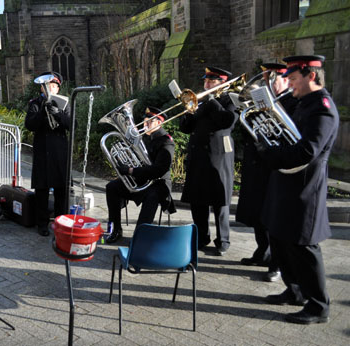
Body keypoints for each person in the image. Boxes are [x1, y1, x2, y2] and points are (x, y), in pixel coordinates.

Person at [257, 55, 337, 325]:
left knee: (304, 246)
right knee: (280, 238)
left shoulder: (322, 108)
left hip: (306, 186)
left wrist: (272, 155)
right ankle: (294, 290)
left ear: (310, 76)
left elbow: (308, 150)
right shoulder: (303, 103)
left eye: (292, 79)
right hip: (286, 181)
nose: (289, 84)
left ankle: (318, 305)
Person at [236, 62, 298, 282]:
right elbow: (250, 133)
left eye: (271, 79)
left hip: (274, 165)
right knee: (256, 212)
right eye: (265, 79)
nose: (267, 83)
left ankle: (276, 263)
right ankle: (262, 251)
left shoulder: (291, 102)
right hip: (257, 163)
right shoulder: (263, 103)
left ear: (283, 78)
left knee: (272, 217)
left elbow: (288, 134)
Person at [179, 67, 238, 256]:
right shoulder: (201, 102)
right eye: (205, 81)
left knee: (220, 201)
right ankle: (202, 236)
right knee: (198, 200)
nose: (206, 85)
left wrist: (212, 102)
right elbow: (187, 128)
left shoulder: (230, 100)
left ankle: (223, 240)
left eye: (211, 82)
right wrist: (188, 112)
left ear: (222, 82)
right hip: (198, 157)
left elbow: (227, 121)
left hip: (218, 157)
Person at [105, 107, 176, 243]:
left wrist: (131, 171)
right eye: (145, 120)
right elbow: (132, 157)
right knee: (112, 187)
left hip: (158, 183)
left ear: (159, 122)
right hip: (141, 180)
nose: (145, 124)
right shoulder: (143, 137)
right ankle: (116, 229)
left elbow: (159, 170)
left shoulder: (166, 141)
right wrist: (122, 162)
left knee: (152, 196)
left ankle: (140, 237)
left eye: (149, 121)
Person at [25, 72, 71, 236]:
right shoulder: (35, 104)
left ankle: (61, 222)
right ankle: (42, 224)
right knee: (42, 190)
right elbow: (29, 124)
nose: (49, 88)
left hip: (60, 152)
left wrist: (58, 113)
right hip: (42, 152)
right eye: (46, 86)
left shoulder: (65, 103)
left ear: (57, 88)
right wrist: (43, 112)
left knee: (61, 190)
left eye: (53, 86)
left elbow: (72, 124)